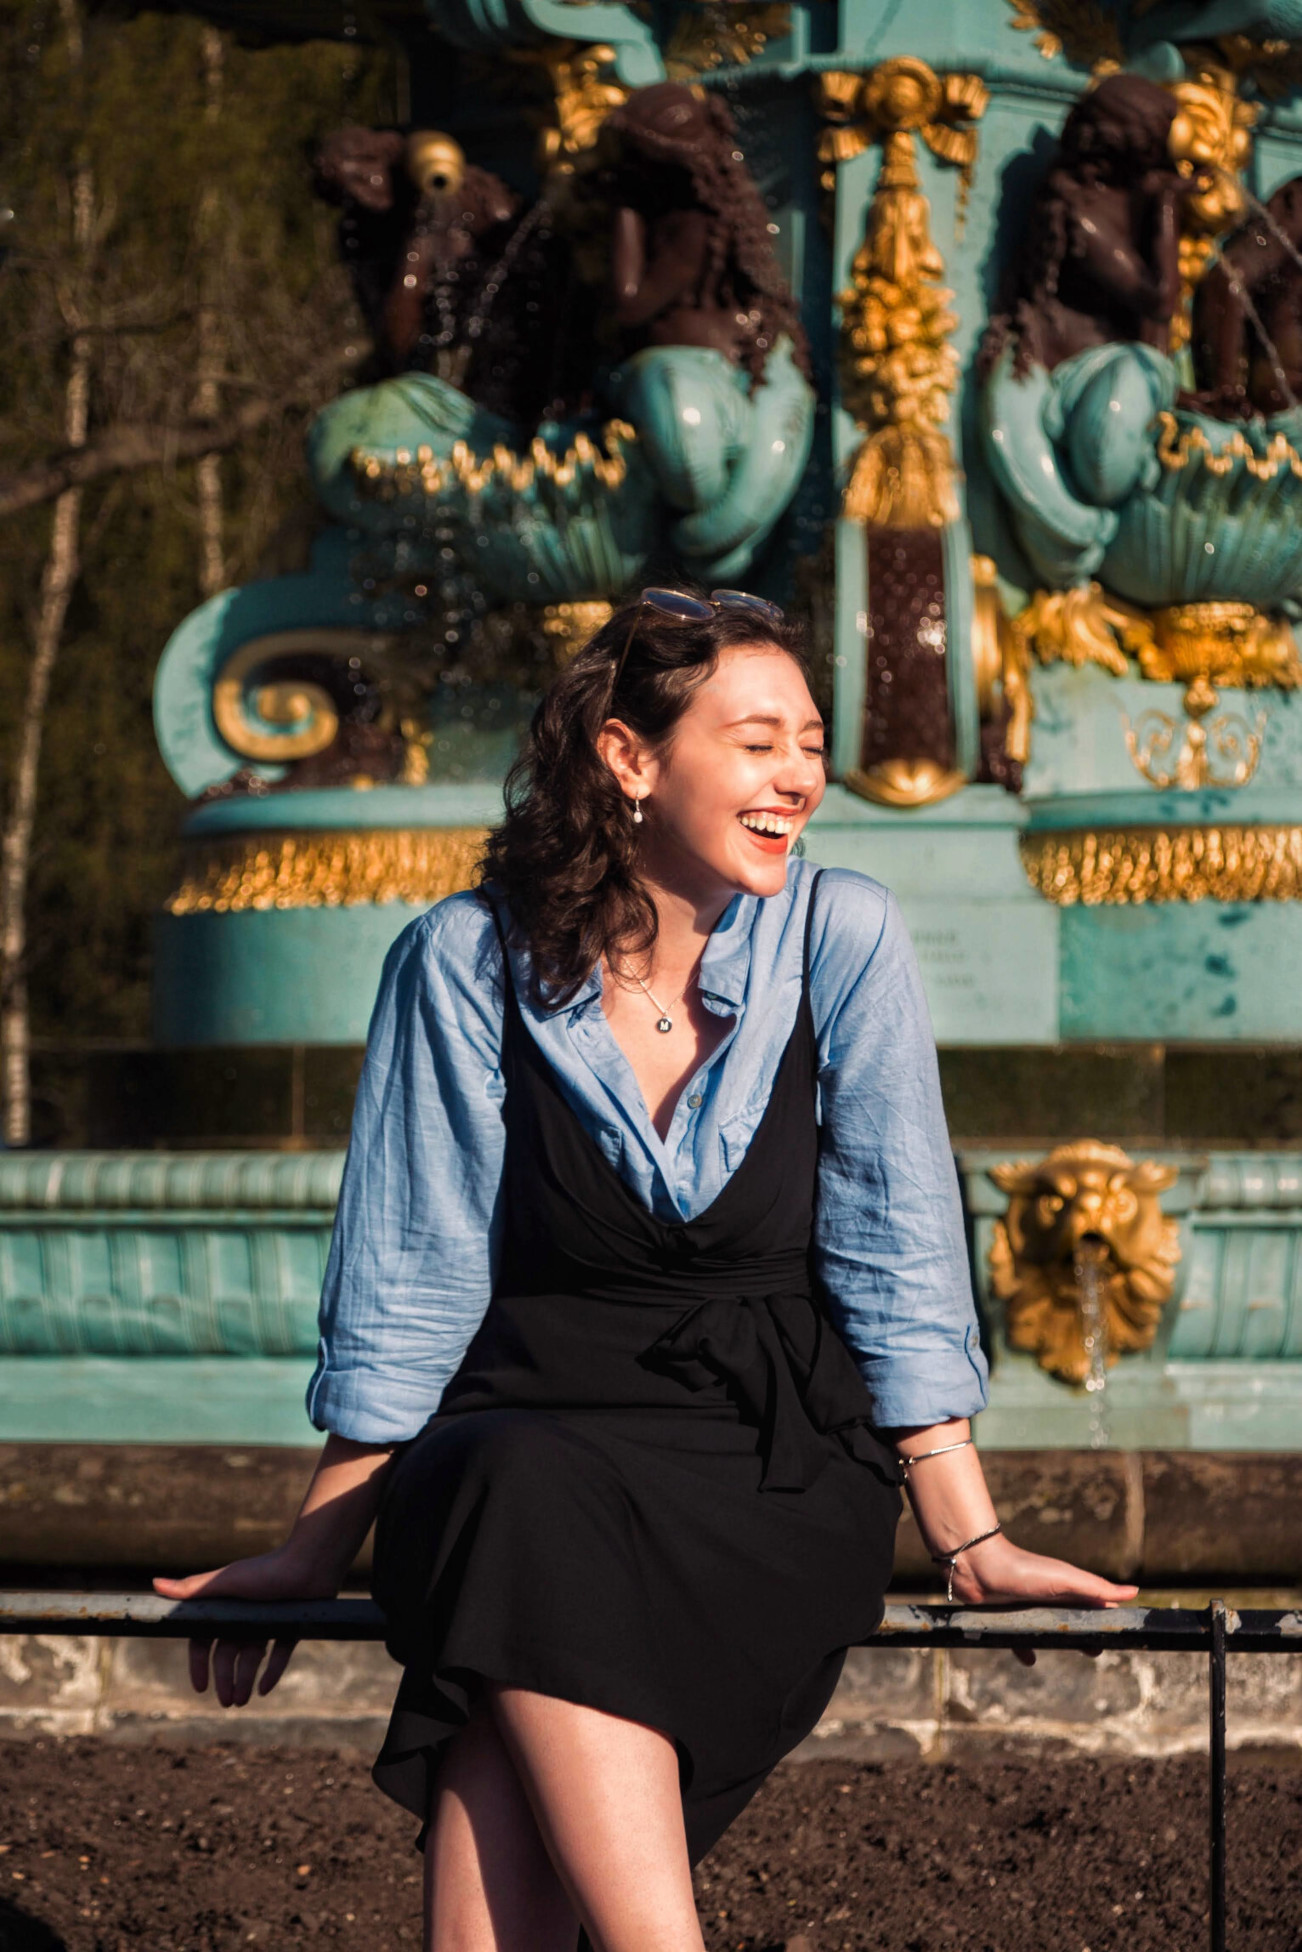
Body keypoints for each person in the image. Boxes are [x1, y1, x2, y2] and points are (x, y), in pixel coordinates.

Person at [155, 589, 1137, 1952]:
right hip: (531, 1432)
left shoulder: (841, 935)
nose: (798, 774)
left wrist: (966, 1535)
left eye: (807, 741)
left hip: (763, 1458)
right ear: (627, 758)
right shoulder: (461, 959)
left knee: (509, 1623)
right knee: (515, 1497)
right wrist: (314, 1544)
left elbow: (895, 1243)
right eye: (755, 741)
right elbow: (411, 1274)